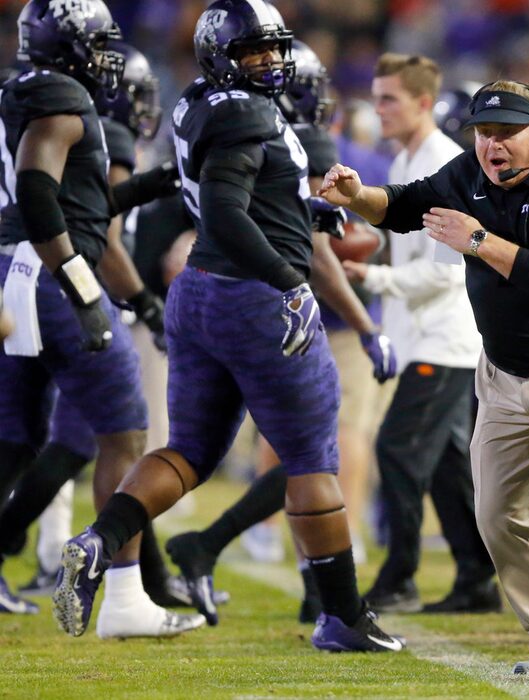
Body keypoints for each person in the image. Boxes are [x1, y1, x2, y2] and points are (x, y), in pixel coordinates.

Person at [54, 0, 403, 653]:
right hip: (253, 297)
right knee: (311, 458)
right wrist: (287, 281)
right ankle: (343, 617)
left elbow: (188, 184)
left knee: (188, 453)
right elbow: (223, 208)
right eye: (254, 53)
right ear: (223, 56)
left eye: (275, 50)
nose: (270, 63)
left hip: (199, 295)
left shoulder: (199, 101)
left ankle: (98, 540)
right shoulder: (248, 114)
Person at [319, 79, 529, 680]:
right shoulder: (467, 172)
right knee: (497, 512)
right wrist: (355, 194)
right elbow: (399, 206)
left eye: (507, 133)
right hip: (505, 372)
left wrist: (477, 238)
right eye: (484, 132)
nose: (492, 146)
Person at [165, 37, 397, 626]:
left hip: (228, 295)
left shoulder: (208, 116)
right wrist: (363, 322)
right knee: (317, 452)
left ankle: (238, 556)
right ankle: (325, 596)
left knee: (246, 449)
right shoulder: (274, 132)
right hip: (289, 308)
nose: (314, 101)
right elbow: (320, 253)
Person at [0, 0, 198, 638]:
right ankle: (122, 600)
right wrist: (85, 292)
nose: (107, 55)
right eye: (98, 41)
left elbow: (79, 204)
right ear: (67, 43)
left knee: (17, 437)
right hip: (49, 278)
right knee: (125, 434)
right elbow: (37, 193)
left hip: (18, 275)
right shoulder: (58, 95)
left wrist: (145, 187)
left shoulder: (25, 88)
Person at [343, 52, 498, 614]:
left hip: (447, 337)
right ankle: (478, 579)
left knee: (400, 450)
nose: (378, 108)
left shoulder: (443, 163)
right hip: (423, 336)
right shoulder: (408, 156)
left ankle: (400, 576)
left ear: (423, 103)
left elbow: (446, 267)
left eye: (389, 98)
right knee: (447, 465)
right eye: (377, 96)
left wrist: (371, 274)